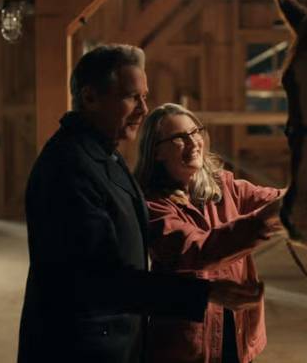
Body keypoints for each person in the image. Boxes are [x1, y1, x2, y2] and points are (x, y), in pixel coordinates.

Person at [18, 45, 264, 363]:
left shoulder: (104, 154)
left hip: (113, 343)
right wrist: (206, 293)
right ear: (90, 98)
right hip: (79, 349)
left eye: (144, 97)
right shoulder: (69, 168)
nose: (144, 109)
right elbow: (101, 281)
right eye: (132, 97)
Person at [134, 103, 284, 363]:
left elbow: (276, 198)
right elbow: (198, 249)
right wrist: (262, 220)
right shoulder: (153, 205)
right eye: (180, 138)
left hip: (238, 338)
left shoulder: (225, 186)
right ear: (156, 152)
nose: (194, 143)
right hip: (186, 348)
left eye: (196, 132)